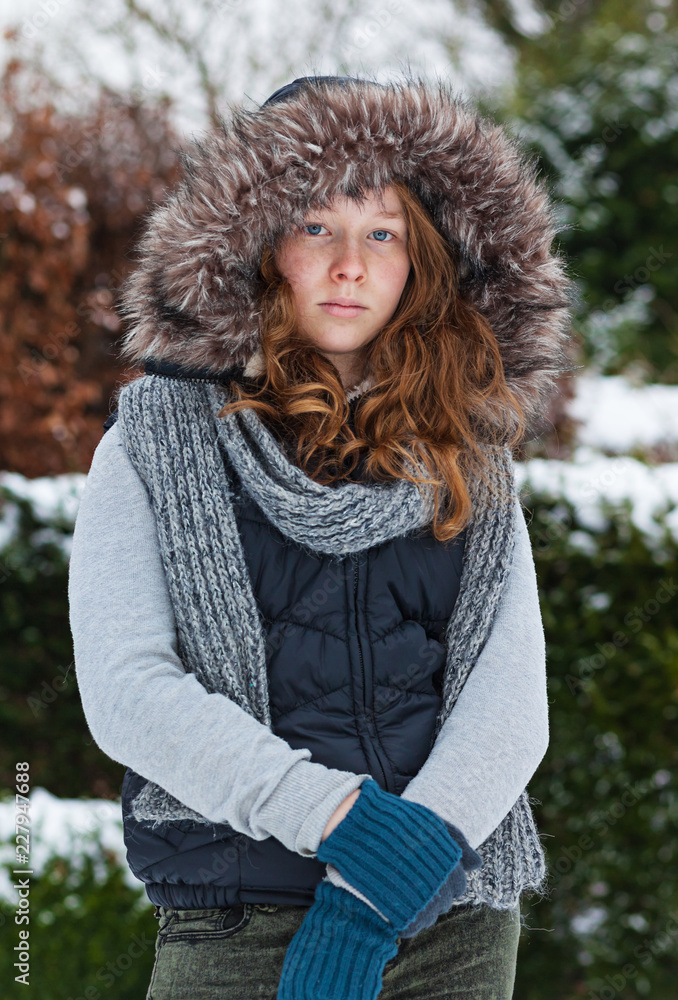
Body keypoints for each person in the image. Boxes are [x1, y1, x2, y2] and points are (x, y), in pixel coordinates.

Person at [68, 73, 576, 999]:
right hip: (236, 919)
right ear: (257, 244)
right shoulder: (153, 442)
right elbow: (128, 690)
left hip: (446, 924)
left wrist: (376, 896)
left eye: (382, 233)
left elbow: (511, 708)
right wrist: (342, 823)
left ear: (421, 260)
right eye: (316, 227)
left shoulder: (470, 452)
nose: (351, 265)